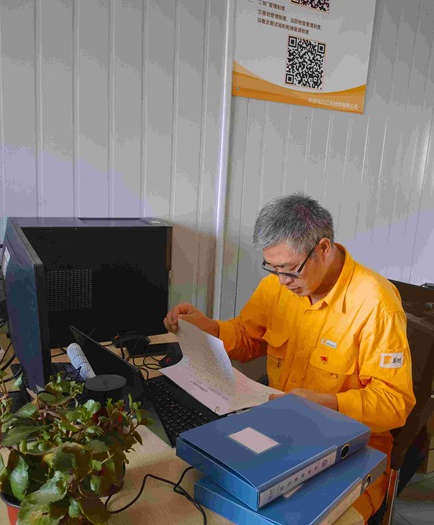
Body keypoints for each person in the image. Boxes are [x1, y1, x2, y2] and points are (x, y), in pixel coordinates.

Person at [164, 193, 416, 522]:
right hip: (276, 427)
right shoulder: (278, 287)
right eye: (274, 268)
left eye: (290, 270)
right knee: (197, 487)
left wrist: (328, 404)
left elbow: (395, 403)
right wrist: (209, 328)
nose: (283, 281)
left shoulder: (375, 304)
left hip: (351, 446)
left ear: (323, 248)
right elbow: (248, 338)